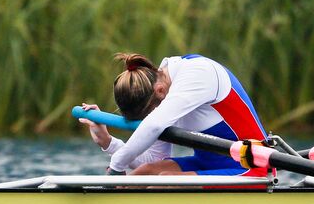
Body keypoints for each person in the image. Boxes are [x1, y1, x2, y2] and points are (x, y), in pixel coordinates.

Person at [80, 52, 269, 177]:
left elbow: (153, 125)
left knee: (167, 180)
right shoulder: (166, 91)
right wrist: (108, 142)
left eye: (148, 115)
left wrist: (116, 166)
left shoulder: (197, 74)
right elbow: (154, 160)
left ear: (160, 91)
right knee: (145, 173)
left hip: (249, 168)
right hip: (206, 164)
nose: (149, 119)